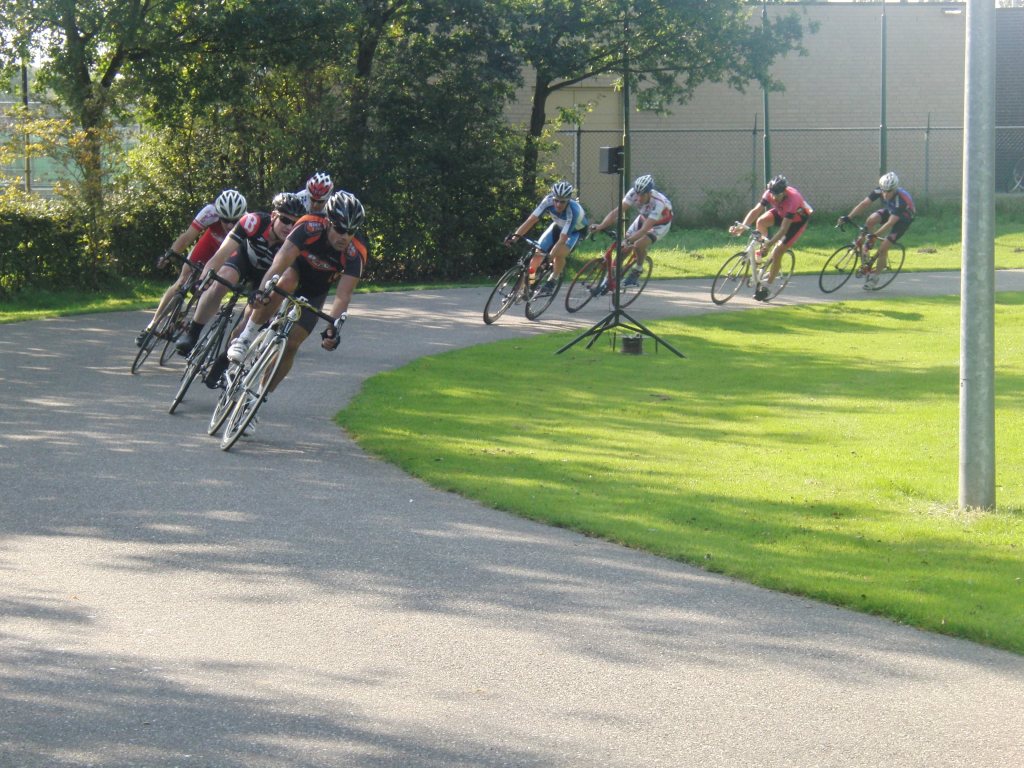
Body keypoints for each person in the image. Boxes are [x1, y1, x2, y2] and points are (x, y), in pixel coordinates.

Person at [226, 190, 367, 393]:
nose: (344, 237)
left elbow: (342, 296)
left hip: (316, 288)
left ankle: (258, 395)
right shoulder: (309, 226)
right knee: (287, 281)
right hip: (295, 268)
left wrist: (332, 329)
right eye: (340, 229)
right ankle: (246, 337)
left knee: (292, 343)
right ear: (328, 222)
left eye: (351, 231)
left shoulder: (356, 252)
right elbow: (280, 262)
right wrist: (261, 291)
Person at [174, 192, 307, 356]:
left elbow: (289, 277)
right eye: (285, 220)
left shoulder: (296, 241)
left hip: (267, 274)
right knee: (222, 280)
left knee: (253, 312)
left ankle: (226, 358)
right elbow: (222, 254)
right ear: (273, 216)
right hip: (243, 259)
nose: (289, 227)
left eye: (294, 223)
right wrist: (203, 279)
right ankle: (193, 333)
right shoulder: (253, 222)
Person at [135, 189, 247, 345]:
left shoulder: (248, 222)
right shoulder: (210, 212)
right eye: (225, 220)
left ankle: (191, 325)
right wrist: (169, 255)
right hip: (209, 244)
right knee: (183, 279)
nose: (229, 225)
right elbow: (187, 237)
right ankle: (152, 326)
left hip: (228, 253)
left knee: (211, 290)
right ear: (218, 214)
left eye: (234, 221)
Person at [729, 175, 813, 301]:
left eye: (777, 195)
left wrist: (771, 243)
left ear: (784, 192)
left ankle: (768, 286)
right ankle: (762, 251)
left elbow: (783, 229)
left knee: (777, 251)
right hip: (782, 212)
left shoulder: (793, 199)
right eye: (772, 194)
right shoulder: (770, 192)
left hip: (796, 222)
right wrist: (743, 226)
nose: (774, 197)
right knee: (761, 221)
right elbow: (756, 210)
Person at [504, 180, 588, 296]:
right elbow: (531, 220)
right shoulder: (548, 201)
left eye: (562, 202)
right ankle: (531, 283)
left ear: (568, 200)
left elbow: (562, 239)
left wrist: (549, 257)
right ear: (552, 197)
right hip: (557, 226)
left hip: (575, 232)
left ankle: (553, 279)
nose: (558, 204)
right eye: (556, 200)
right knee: (537, 256)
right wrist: (515, 237)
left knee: (558, 254)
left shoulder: (573, 211)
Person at [591, 174, 672, 286]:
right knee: (624, 248)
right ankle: (613, 276)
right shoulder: (633, 192)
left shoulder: (658, 203)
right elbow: (617, 212)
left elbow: (644, 230)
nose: (639, 198)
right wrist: (601, 226)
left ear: (649, 193)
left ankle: (637, 270)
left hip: (660, 224)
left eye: (642, 195)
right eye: (638, 194)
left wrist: (629, 241)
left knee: (638, 245)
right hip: (644, 218)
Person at [837, 171, 914, 289]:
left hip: (903, 219)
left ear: (894, 189)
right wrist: (849, 217)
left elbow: (890, 223)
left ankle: (875, 278)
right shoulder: (880, 190)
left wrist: (875, 235)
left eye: (889, 191)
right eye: (883, 190)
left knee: (883, 248)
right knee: (871, 220)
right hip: (891, 210)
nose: (885, 194)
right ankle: (867, 247)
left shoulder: (901, 200)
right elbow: (864, 203)